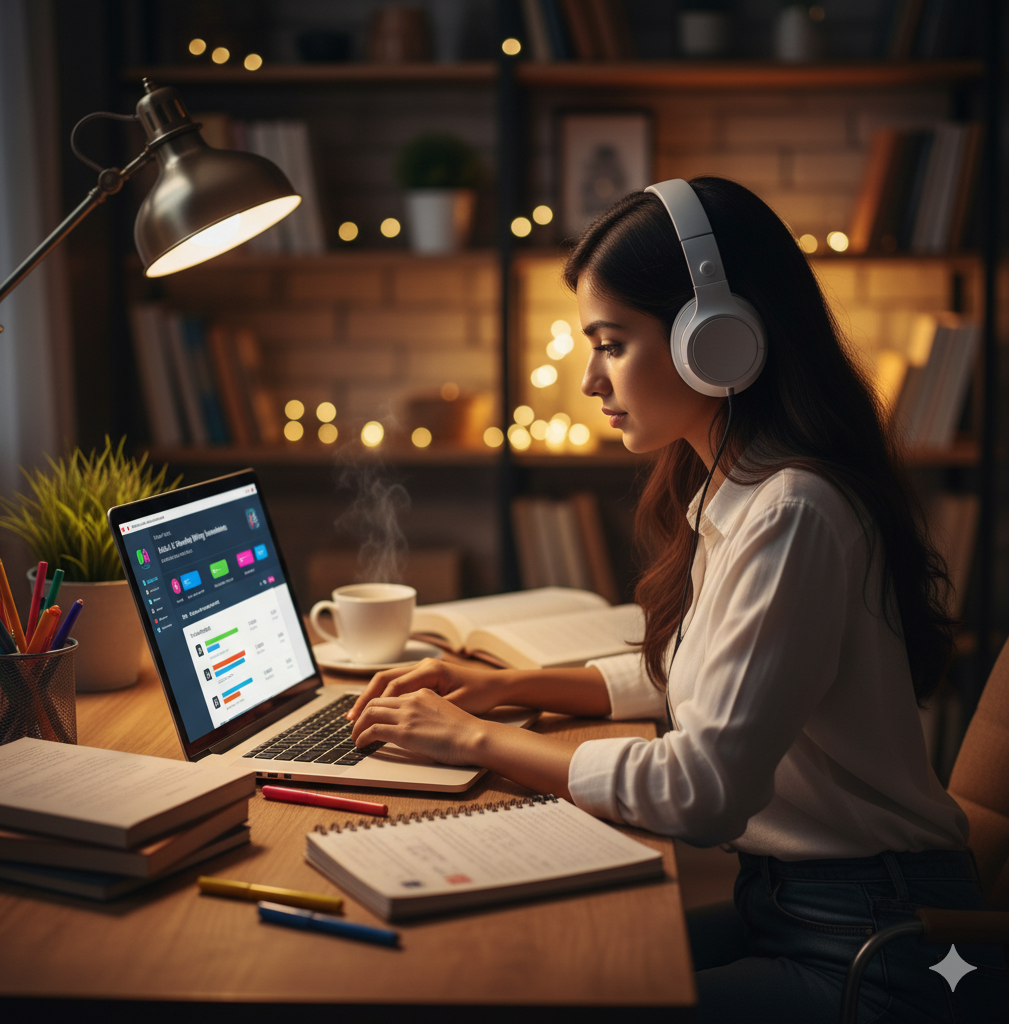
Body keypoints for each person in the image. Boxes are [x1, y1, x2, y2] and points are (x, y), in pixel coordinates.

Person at [346, 177, 1007, 1021]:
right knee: (550, 968)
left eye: (611, 343)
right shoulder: (741, 491)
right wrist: (508, 689)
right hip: (798, 907)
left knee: (548, 992)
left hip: (878, 946)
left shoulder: (794, 513)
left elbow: (701, 788)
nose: (589, 380)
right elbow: (704, 676)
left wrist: (475, 740)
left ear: (717, 341)